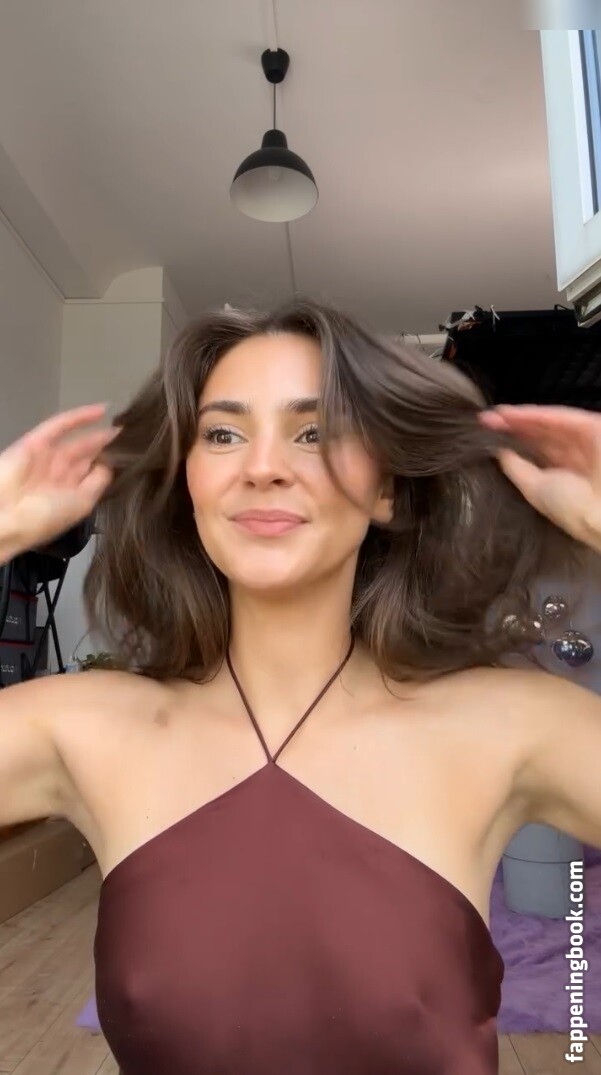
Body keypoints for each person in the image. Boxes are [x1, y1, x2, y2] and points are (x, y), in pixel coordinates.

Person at [1, 296, 601, 1075]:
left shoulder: (512, 724)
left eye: (314, 432)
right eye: (223, 434)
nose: (263, 466)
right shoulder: (82, 729)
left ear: (387, 490)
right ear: (188, 483)